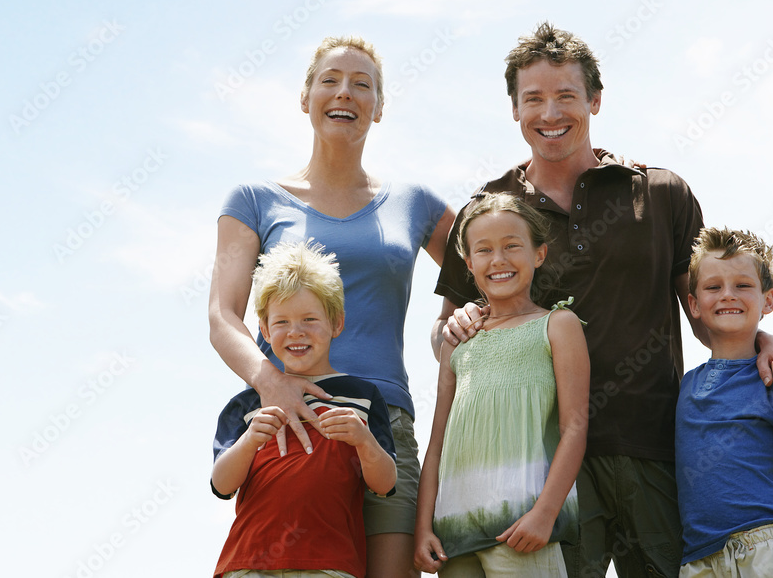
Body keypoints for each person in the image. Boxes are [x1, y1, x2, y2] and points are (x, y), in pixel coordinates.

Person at [433, 21, 773, 577]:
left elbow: (707, 308)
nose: (551, 113)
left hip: (656, 444)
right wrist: (452, 329)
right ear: (514, 109)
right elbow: (449, 336)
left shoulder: (661, 193)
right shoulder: (490, 213)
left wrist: (765, 341)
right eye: (534, 99)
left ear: (594, 99)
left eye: (566, 96)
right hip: (544, 467)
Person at [209, 35, 455, 578]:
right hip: (289, 417)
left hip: (382, 421)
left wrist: (447, 322)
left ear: (379, 107)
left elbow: (489, 261)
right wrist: (270, 383)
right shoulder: (252, 200)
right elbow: (222, 316)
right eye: (330, 80)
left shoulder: (416, 203)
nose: (345, 92)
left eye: (362, 84)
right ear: (306, 96)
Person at [414, 192, 589, 577]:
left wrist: (545, 514)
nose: (499, 260)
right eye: (485, 250)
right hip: (454, 534)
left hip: (521, 526)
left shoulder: (558, 325)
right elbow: (437, 443)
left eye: (513, 246)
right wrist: (423, 526)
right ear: (469, 263)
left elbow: (574, 427)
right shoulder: (457, 340)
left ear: (538, 254)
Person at [212, 240, 398, 578]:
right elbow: (222, 485)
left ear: (336, 324)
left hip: (331, 565)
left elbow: (385, 484)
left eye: (309, 319)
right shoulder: (246, 405)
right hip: (246, 564)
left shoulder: (363, 397)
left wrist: (365, 441)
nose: (295, 332)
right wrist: (250, 440)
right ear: (265, 330)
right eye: (281, 322)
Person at [675, 227, 773, 577]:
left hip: (769, 547)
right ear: (694, 305)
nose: (728, 295)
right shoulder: (685, 386)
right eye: (714, 287)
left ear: (768, 300)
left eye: (743, 286)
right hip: (700, 558)